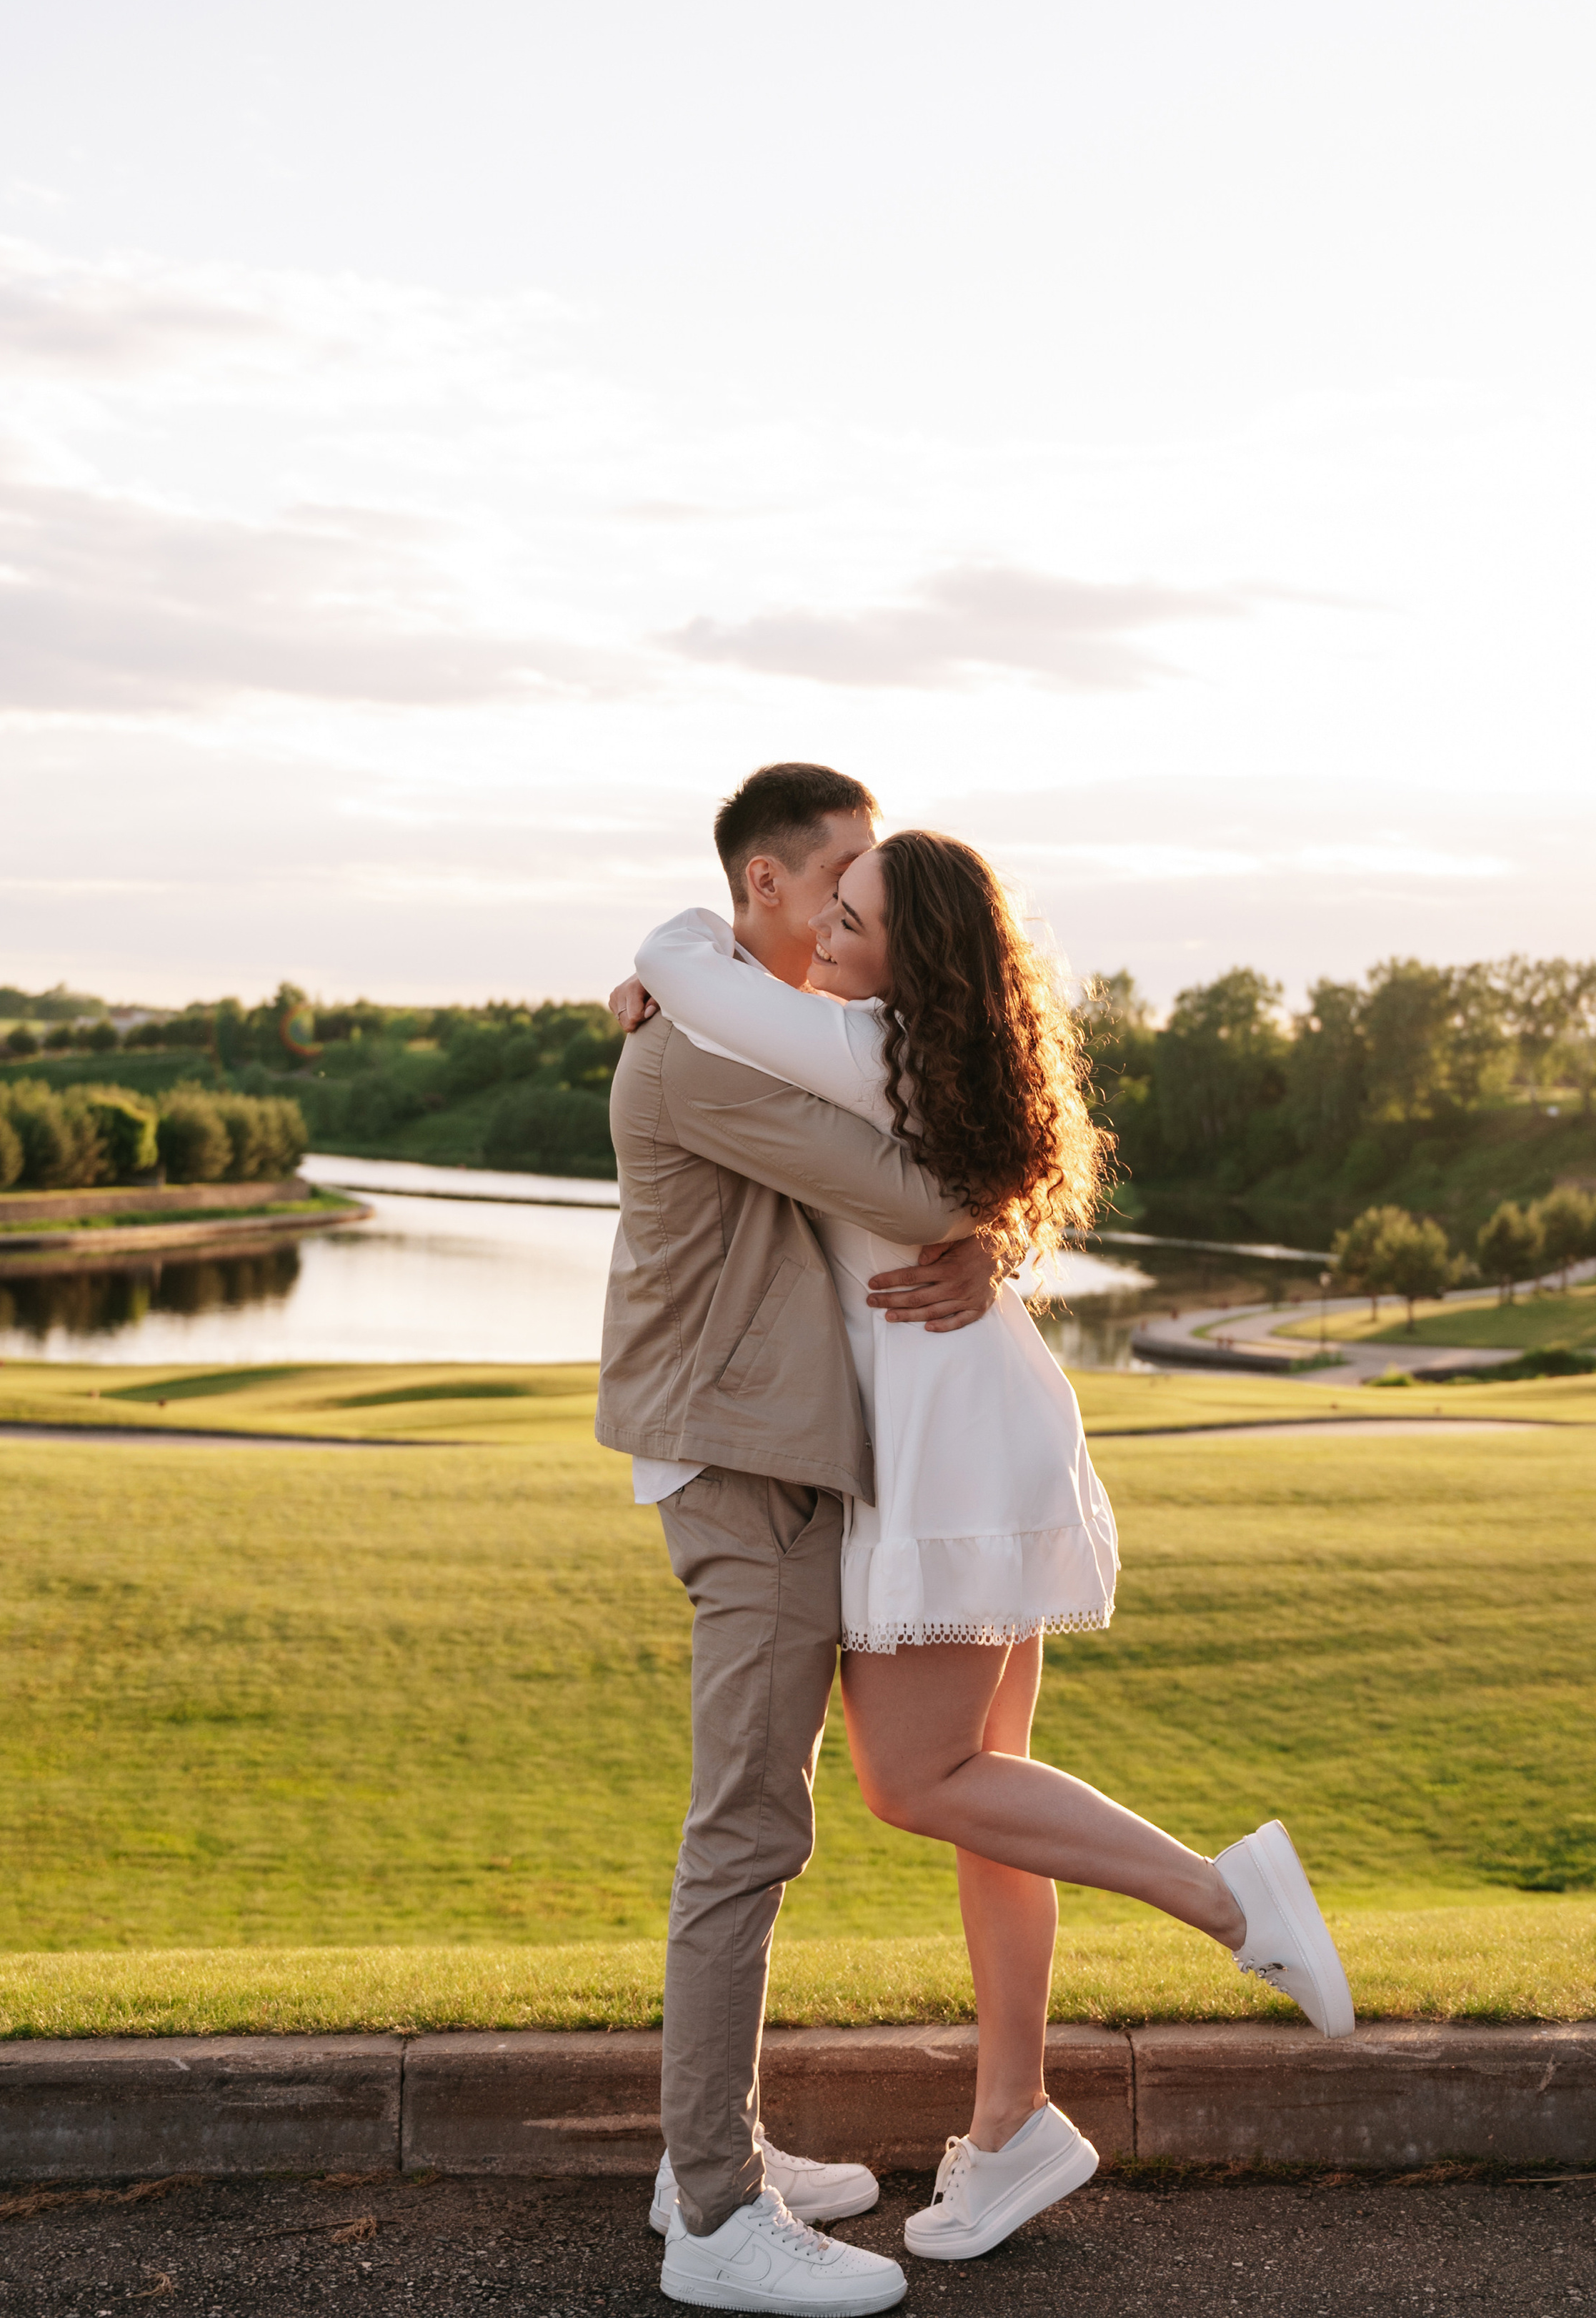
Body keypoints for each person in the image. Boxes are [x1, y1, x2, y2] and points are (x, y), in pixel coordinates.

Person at [628, 826, 1355, 2269]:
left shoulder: (860, 1036)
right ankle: (1014, 2115)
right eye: (824, 902)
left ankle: (1231, 1897)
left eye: (852, 912)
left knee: (918, 1778)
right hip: (979, 1413)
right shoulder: (936, 1046)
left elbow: (686, 972)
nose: (826, 928)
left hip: (947, 1439)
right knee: (989, 1797)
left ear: (915, 956)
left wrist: (655, 958)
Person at [597, 763, 1009, 2318]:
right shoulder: (698, 1040)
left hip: (756, 1457)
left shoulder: (711, 1010)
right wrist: (970, 1231)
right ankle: (712, 2212)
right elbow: (923, 1185)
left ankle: (700, 2150)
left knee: (760, 1822)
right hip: (743, 1464)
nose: (855, 901)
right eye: (836, 875)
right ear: (760, 888)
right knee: (745, 1833)